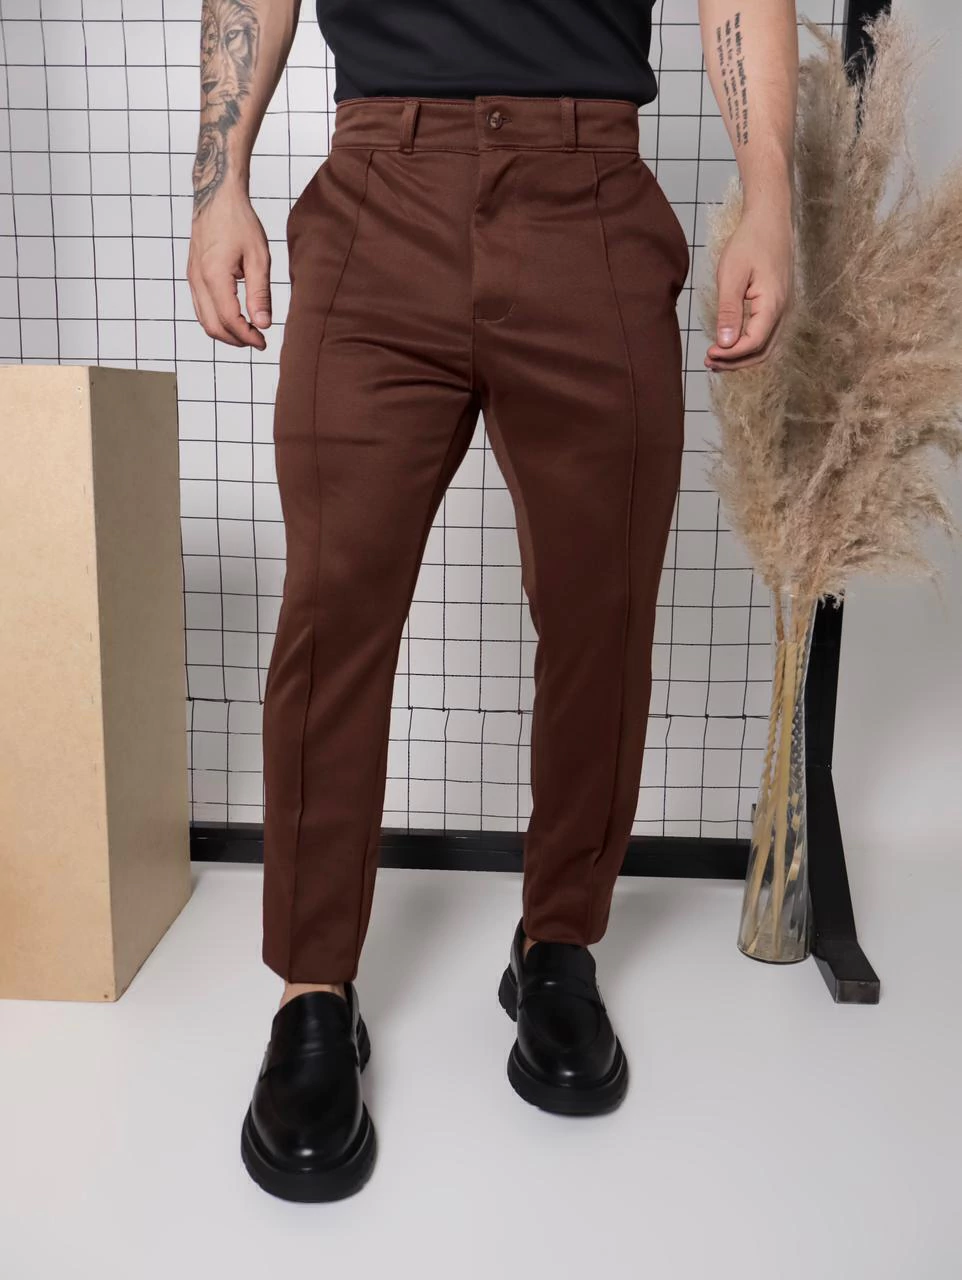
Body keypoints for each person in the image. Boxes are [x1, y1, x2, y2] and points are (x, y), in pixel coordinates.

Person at [187, 0, 797, 1201]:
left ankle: (556, 941)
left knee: (598, 609)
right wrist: (220, 180)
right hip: (378, 191)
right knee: (332, 608)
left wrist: (767, 193)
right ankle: (312, 986)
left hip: (591, 197)